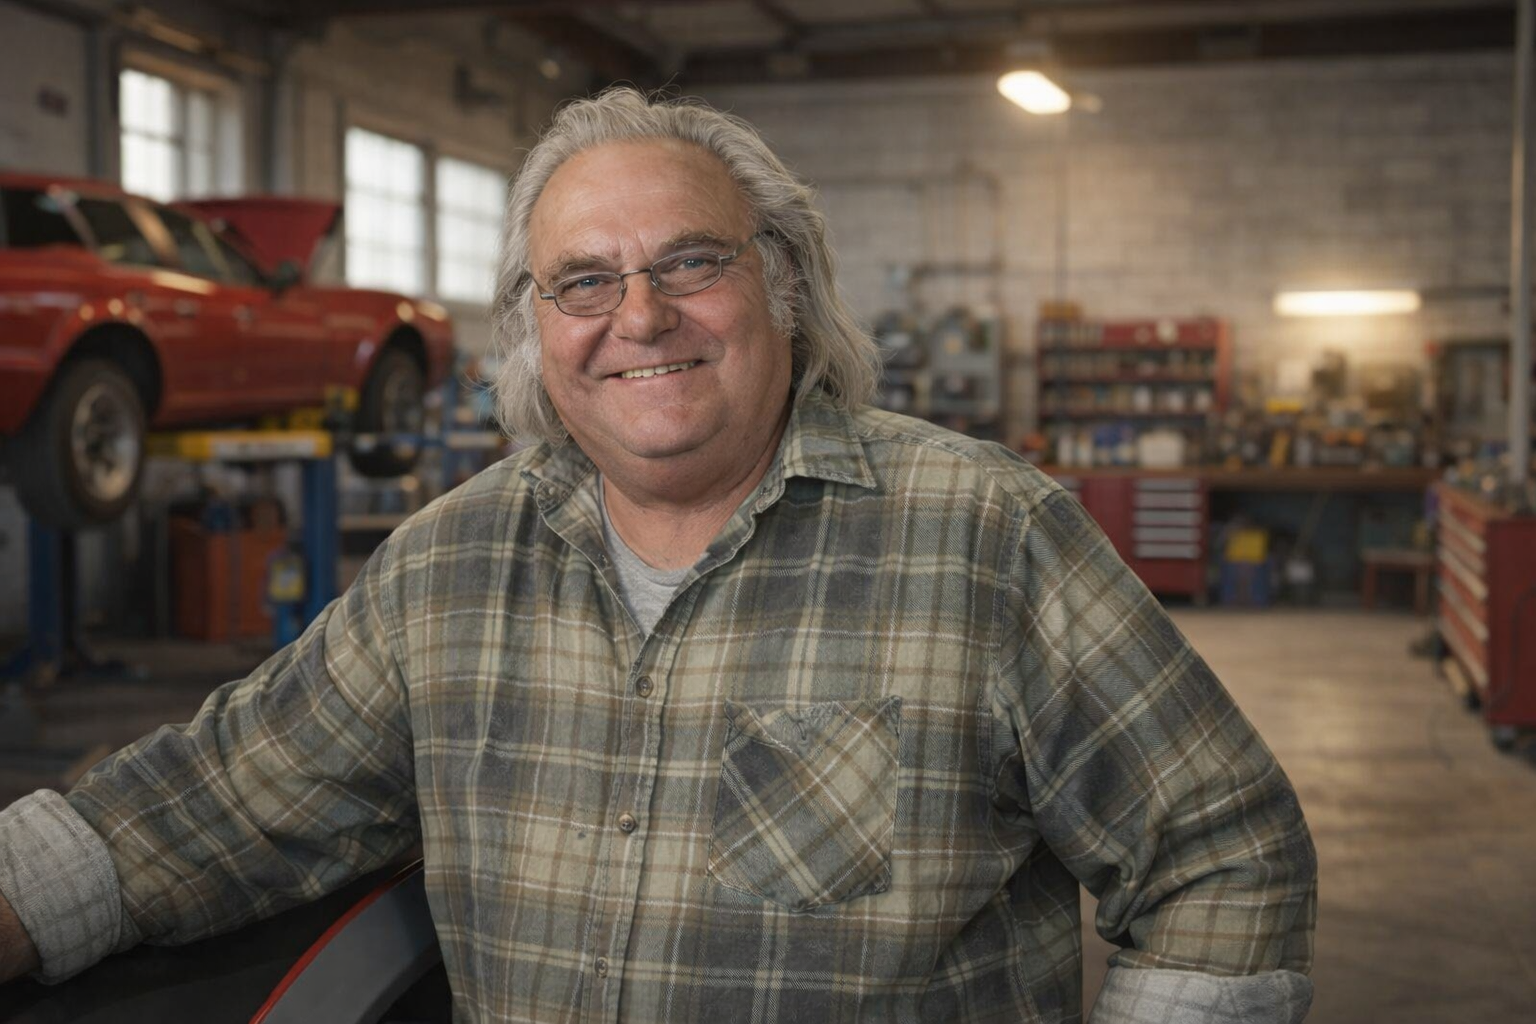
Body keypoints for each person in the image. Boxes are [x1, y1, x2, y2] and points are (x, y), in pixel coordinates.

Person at [0, 87, 1316, 1023]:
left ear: (783, 284)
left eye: (690, 263)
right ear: (537, 327)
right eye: (584, 281)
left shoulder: (986, 537)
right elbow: (222, 802)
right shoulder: (448, 568)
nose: (638, 317)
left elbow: (1220, 854)